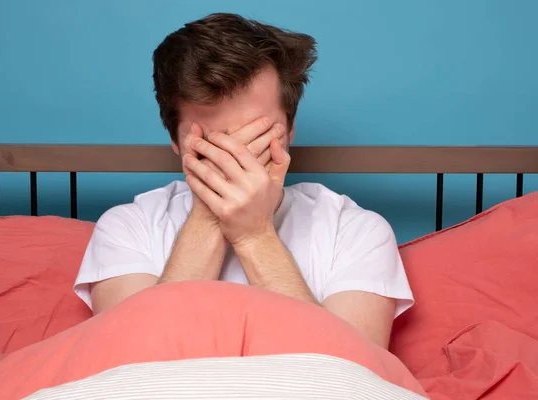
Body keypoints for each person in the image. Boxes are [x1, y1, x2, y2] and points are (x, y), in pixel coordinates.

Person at [73, 12, 413, 349]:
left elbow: (353, 375)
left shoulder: (355, 232)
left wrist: (255, 235)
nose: (235, 156)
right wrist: (210, 214)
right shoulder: (127, 228)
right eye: (214, 143)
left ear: (289, 130)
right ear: (176, 142)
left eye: (256, 135)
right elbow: (127, 367)